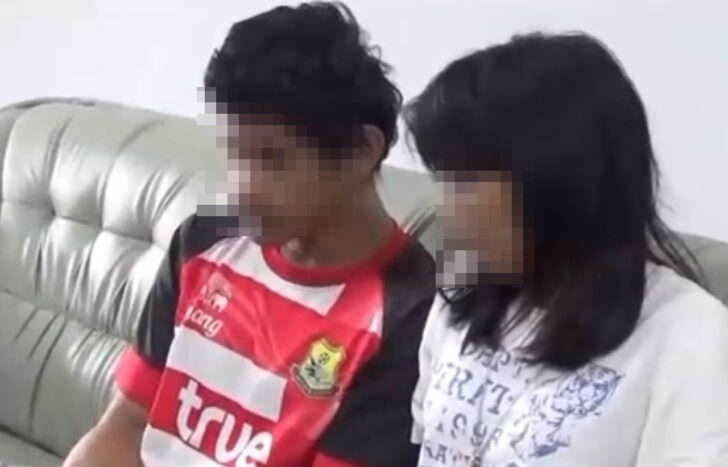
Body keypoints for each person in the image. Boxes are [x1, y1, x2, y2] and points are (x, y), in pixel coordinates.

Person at [63, 3, 435, 466]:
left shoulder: (410, 318)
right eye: (235, 155)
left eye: (271, 160)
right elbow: (127, 422)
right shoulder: (202, 242)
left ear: (362, 151)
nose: (242, 187)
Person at [405, 32, 728, 466]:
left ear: (559, 180)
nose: (447, 207)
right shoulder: (462, 291)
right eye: (444, 178)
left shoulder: (689, 336)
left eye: (467, 181)